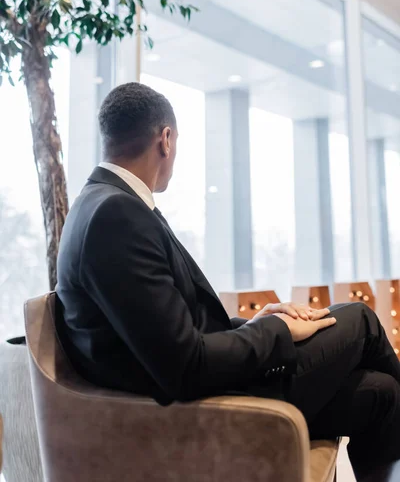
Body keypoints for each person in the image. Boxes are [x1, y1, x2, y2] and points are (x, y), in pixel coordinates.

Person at [56, 82, 400, 482]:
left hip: (194, 390)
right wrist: (277, 330)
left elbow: (170, 330)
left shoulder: (98, 205)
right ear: (165, 140)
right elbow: (186, 365)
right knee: (360, 320)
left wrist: (256, 322)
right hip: (204, 406)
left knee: (383, 393)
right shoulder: (117, 215)